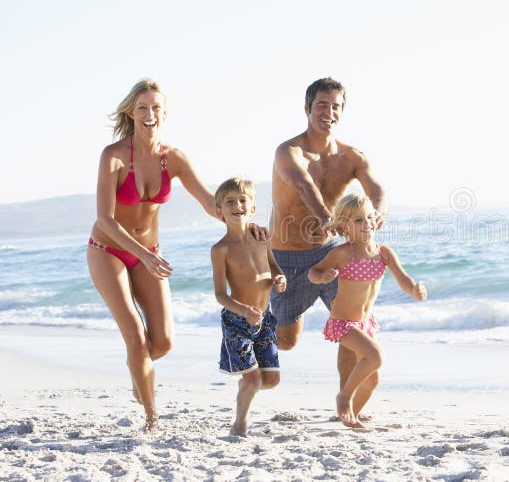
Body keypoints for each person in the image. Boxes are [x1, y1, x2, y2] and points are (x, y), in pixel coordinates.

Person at [86, 78, 264, 431]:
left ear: (164, 113)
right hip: (108, 250)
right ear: (131, 113)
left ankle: (137, 367)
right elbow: (105, 220)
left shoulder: (174, 158)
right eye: (142, 108)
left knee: (163, 343)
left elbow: (212, 205)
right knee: (136, 337)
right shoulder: (114, 156)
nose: (149, 114)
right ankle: (152, 417)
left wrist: (246, 222)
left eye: (156, 108)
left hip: (148, 253)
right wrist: (146, 256)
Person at [270, 77, 387, 395]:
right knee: (287, 341)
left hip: (333, 252)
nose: (329, 111)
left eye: (336, 106)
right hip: (286, 257)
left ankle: (345, 400)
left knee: (351, 324)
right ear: (307, 108)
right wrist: (326, 217)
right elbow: (303, 185)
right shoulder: (288, 152)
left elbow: (377, 190)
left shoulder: (352, 157)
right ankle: (286, 317)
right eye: (322, 104)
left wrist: (377, 213)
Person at [309, 194, 426, 428]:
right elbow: (314, 272)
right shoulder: (343, 253)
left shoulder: (383, 253)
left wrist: (414, 289)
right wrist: (323, 277)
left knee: (372, 379)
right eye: (359, 220)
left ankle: (351, 416)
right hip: (343, 323)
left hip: (365, 323)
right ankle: (343, 398)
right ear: (345, 226)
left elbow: (403, 279)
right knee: (376, 357)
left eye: (370, 217)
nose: (368, 224)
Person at [211, 178, 287, 437]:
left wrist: (279, 278)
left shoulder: (261, 237)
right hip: (238, 321)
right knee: (254, 380)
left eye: (243, 200)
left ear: (252, 207)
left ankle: (247, 386)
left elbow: (274, 266)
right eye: (230, 202)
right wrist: (244, 310)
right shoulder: (220, 249)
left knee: (271, 380)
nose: (237, 205)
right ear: (219, 211)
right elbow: (220, 295)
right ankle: (239, 424)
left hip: (265, 319)